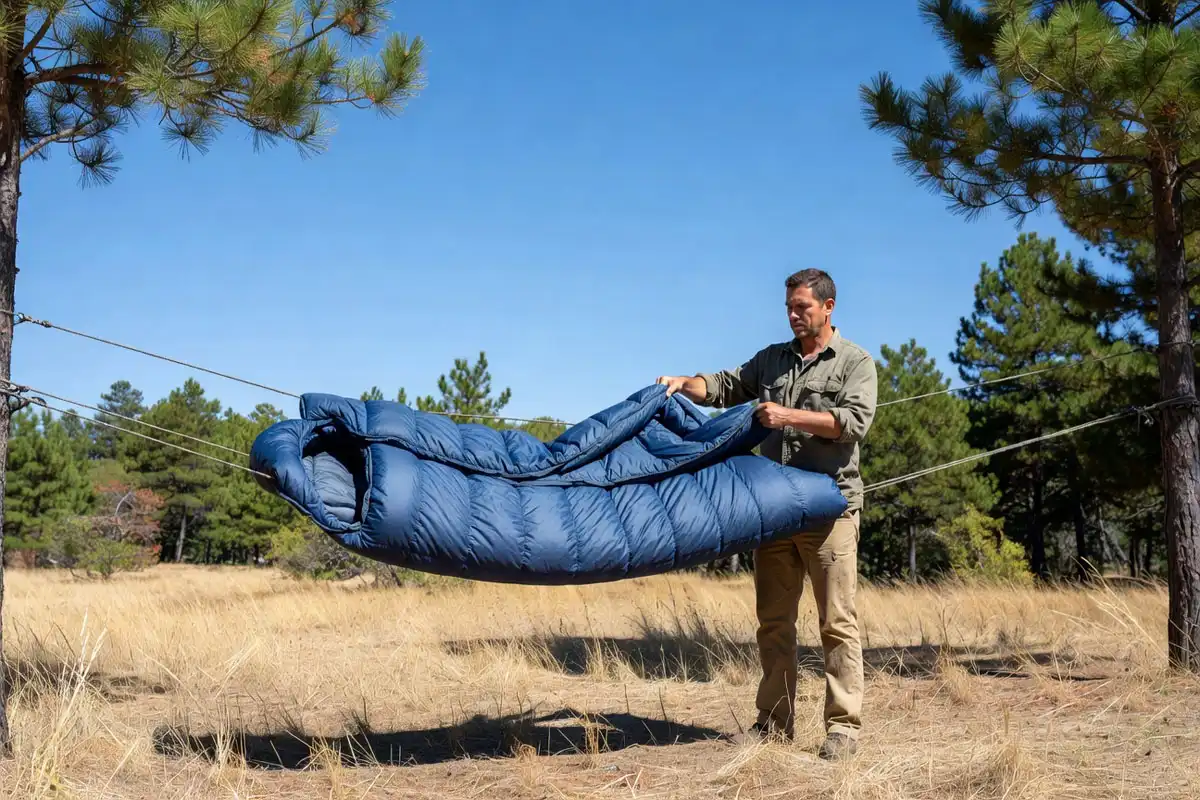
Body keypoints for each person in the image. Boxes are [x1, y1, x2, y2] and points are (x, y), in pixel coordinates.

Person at [655, 268, 877, 760]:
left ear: (829, 307)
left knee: (836, 622)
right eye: (790, 308)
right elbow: (724, 385)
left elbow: (852, 424)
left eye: (803, 307)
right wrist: (681, 384)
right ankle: (774, 723)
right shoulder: (773, 360)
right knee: (774, 622)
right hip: (773, 513)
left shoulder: (856, 363)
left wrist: (787, 416)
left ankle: (843, 729)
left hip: (830, 510)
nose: (794, 315)